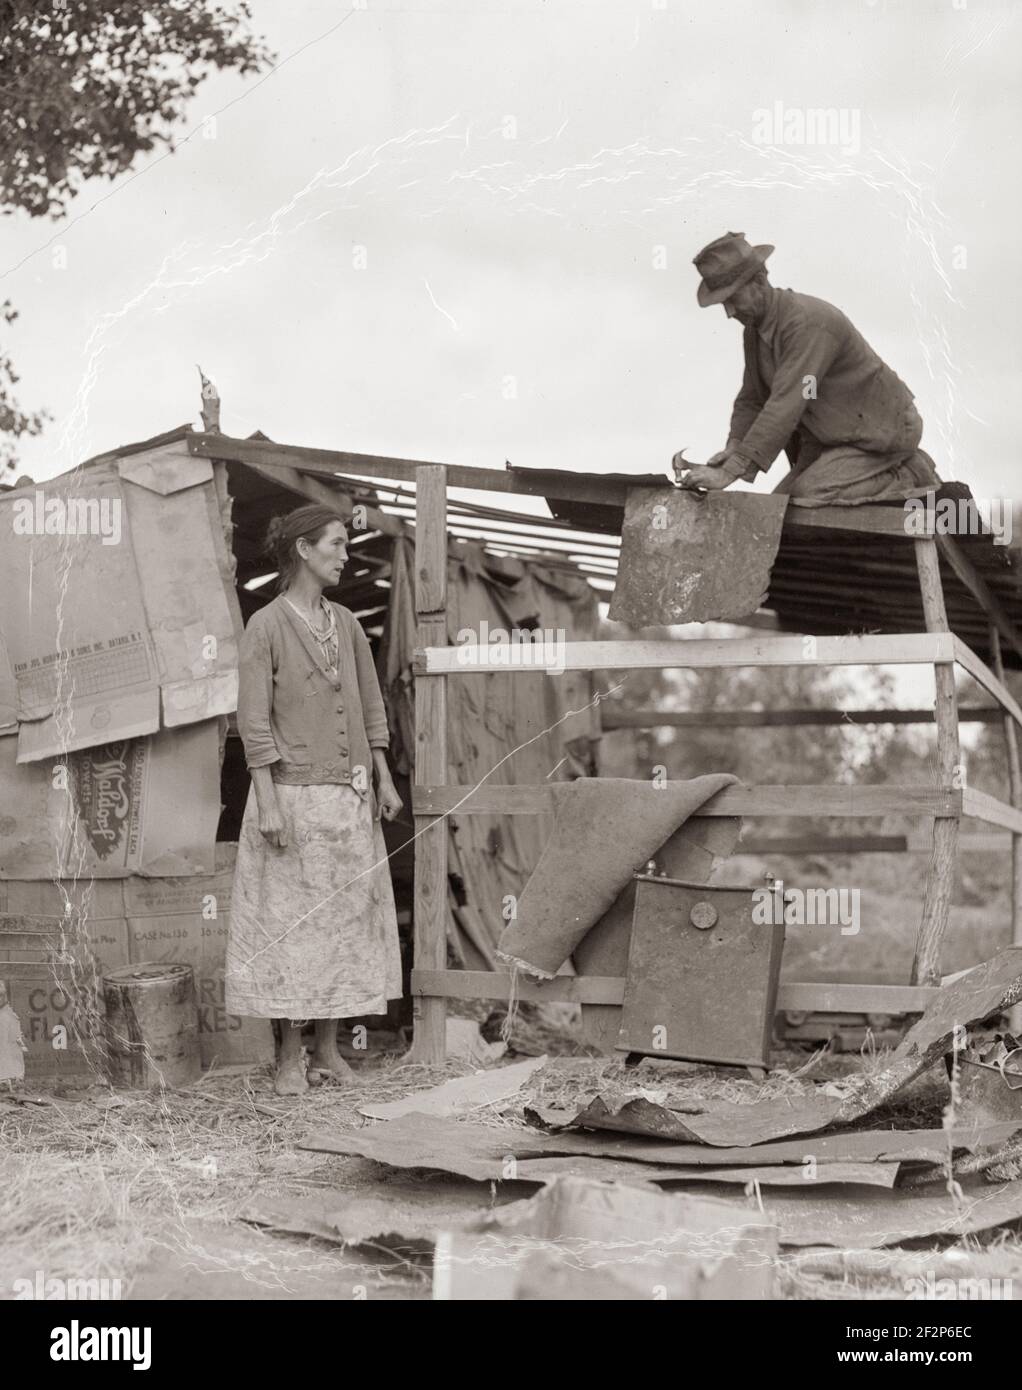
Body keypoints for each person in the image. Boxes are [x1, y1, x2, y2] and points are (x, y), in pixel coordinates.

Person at [226, 504, 404, 1095]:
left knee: (339, 930)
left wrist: (382, 774)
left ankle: (328, 1050)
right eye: (336, 544)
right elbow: (252, 723)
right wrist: (269, 802)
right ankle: (286, 1058)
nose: (344, 554)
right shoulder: (266, 627)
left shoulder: (347, 624)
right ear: (304, 549)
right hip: (289, 800)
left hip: (346, 800)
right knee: (286, 931)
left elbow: (370, 702)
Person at [675, 231, 942, 504]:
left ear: (759, 280)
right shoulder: (754, 331)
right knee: (779, 505)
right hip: (831, 438)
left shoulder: (807, 323)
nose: (729, 312)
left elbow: (787, 402)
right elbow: (752, 399)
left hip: (879, 435)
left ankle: (909, 472)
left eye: (733, 298)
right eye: (723, 303)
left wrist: (729, 474)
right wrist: (734, 448)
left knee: (807, 496)